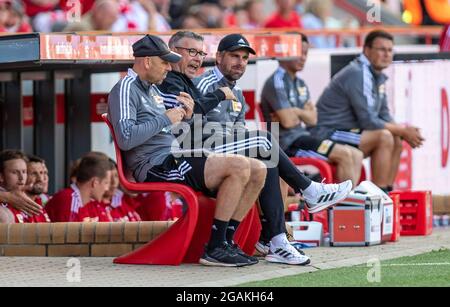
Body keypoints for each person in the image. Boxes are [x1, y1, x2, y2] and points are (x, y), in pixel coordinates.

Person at [157, 31, 352, 264]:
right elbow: (192, 126)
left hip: (215, 149)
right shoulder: (203, 83)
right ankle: (307, 193)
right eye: (234, 56)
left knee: (266, 158)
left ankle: (273, 239)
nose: (240, 62)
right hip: (199, 154)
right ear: (219, 58)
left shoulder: (236, 92)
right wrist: (222, 107)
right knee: (264, 142)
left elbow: (234, 129)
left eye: (244, 58)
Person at [107, 34, 267, 267]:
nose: (168, 67)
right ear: (148, 61)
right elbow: (126, 138)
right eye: (164, 62)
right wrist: (164, 119)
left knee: (259, 168)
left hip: (175, 156)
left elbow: (174, 130)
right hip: (155, 165)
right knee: (241, 165)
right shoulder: (125, 88)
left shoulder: (152, 89)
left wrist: (188, 117)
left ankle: (225, 242)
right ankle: (215, 246)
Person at [310, 30, 425, 193]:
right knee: (384, 136)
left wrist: (403, 132)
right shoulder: (359, 72)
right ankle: (378, 196)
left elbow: (384, 115)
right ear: (366, 50)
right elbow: (368, 121)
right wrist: (403, 130)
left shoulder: (376, 76)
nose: (386, 54)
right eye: (381, 49)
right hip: (327, 133)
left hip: (347, 132)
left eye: (390, 50)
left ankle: (387, 194)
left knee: (396, 138)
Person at [261, 33, 363, 187]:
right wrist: (301, 113)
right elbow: (288, 122)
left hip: (303, 137)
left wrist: (295, 111)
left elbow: (313, 119)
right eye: (298, 52)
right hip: (287, 145)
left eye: (305, 53)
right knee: (345, 155)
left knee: (356, 154)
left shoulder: (300, 83)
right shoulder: (276, 81)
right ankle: (345, 208)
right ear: (285, 53)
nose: (303, 57)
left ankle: (350, 204)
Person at [45, 152, 112, 222]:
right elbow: (68, 232)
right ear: (95, 182)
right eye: (106, 183)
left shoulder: (82, 202)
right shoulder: (69, 200)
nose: (107, 189)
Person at [0, 150, 50, 223]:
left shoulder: (31, 200)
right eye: (14, 172)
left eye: (24, 172)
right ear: (1, 176)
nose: (21, 177)